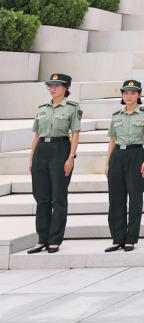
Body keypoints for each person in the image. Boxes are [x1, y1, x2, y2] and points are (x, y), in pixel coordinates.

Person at [27, 73, 81, 254]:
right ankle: (42, 239)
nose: (52, 88)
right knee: (41, 197)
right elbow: (37, 134)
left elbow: (75, 133)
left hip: (61, 149)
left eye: (57, 85)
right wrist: (31, 157)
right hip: (42, 150)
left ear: (66, 88)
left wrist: (71, 157)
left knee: (58, 197)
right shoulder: (42, 108)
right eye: (50, 85)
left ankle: (54, 240)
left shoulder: (72, 108)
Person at [105, 79, 144, 251]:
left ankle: (130, 238)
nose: (129, 96)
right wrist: (107, 162)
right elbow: (112, 139)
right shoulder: (116, 115)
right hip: (117, 156)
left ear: (139, 95)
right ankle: (117, 238)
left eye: (133, 93)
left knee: (134, 198)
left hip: (136, 155)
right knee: (115, 199)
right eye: (125, 93)